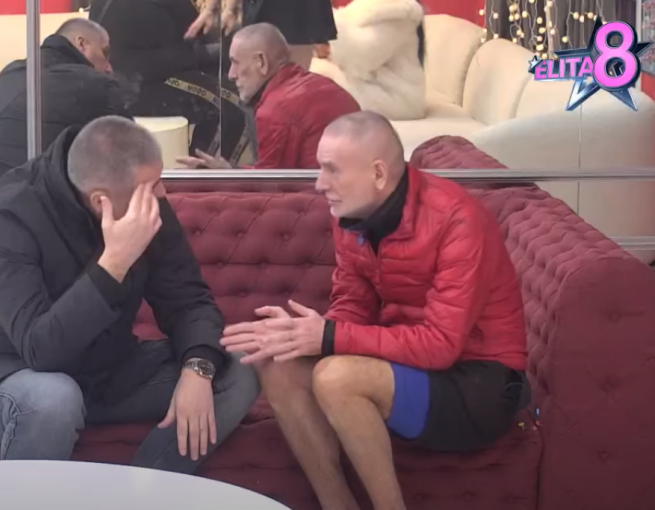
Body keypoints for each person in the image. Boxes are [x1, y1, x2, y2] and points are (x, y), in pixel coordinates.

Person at [220, 111, 531, 510]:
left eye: (332, 170)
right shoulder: (351, 214)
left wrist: (327, 337)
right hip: (410, 367)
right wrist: (303, 337)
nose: (319, 183)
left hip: (479, 384)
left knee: (337, 378)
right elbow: (353, 303)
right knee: (278, 363)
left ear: (379, 174)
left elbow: (441, 346)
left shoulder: (458, 221)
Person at [0, 116, 260, 470]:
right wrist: (114, 263)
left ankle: (142, 491)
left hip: (103, 366)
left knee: (238, 369)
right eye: (153, 187)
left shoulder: (141, 201)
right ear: (101, 201)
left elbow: (188, 300)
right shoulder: (8, 214)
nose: (163, 194)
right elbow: (40, 350)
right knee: (53, 400)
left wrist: (197, 368)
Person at [177, 23, 360, 170]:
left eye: (235, 63)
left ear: (261, 62)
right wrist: (229, 172)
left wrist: (225, 177)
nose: (231, 74)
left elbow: (268, 188)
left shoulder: (274, 110)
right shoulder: (320, 84)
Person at [90, 0, 249, 165]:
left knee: (229, 96)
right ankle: (201, 175)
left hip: (119, 83)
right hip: (144, 85)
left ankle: (197, 169)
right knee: (233, 105)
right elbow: (194, 35)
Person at [0, 18, 129, 180]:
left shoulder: (10, 73)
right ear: (81, 44)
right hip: (34, 192)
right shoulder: (97, 84)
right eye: (105, 53)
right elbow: (131, 154)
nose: (108, 67)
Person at [187, 0, 337, 70]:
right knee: (262, 86)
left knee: (292, 85)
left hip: (298, 10)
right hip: (267, 10)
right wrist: (221, 9)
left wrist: (221, 9)